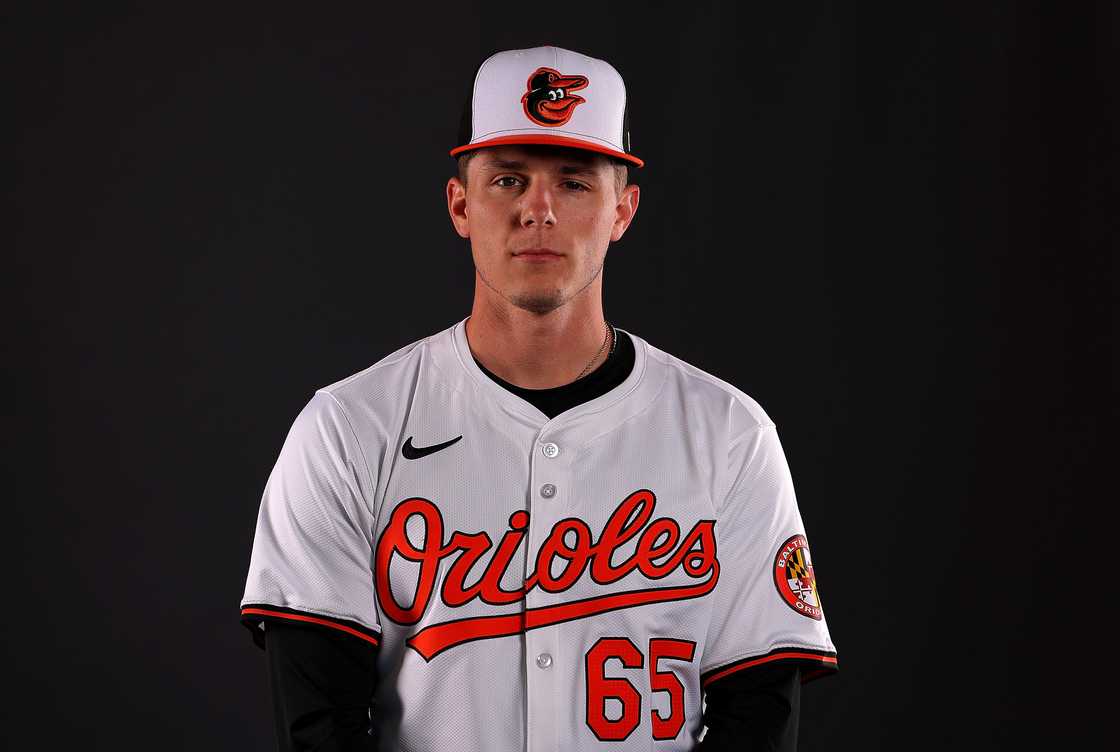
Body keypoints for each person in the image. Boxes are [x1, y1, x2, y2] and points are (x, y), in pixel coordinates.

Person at [240, 45, 837, 751]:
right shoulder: (348, 429)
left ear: (624, 210)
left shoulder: (729, 433)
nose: (539, 210)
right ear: (461, 203)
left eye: (576, 182)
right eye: (509, 179)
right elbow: (320, 725)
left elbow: (759, 714)